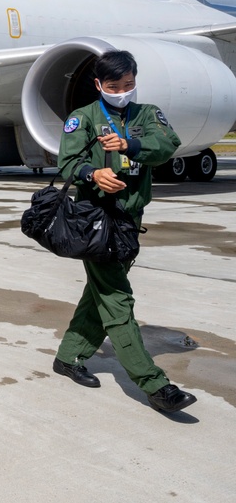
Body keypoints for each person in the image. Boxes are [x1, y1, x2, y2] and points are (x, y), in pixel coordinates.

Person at [52, 50, 197, 413]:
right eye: (113, 86)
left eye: (128, 84)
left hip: (130, 220)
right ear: (98, 84)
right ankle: (154, 385)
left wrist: (131, 145)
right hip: (95, 219)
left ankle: (69, 357)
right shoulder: (82, 118)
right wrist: (93, 173)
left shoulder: (147, 114)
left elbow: (167, 146)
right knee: (117, 299)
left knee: (99, 292)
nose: (122, 91)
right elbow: (68, 160)